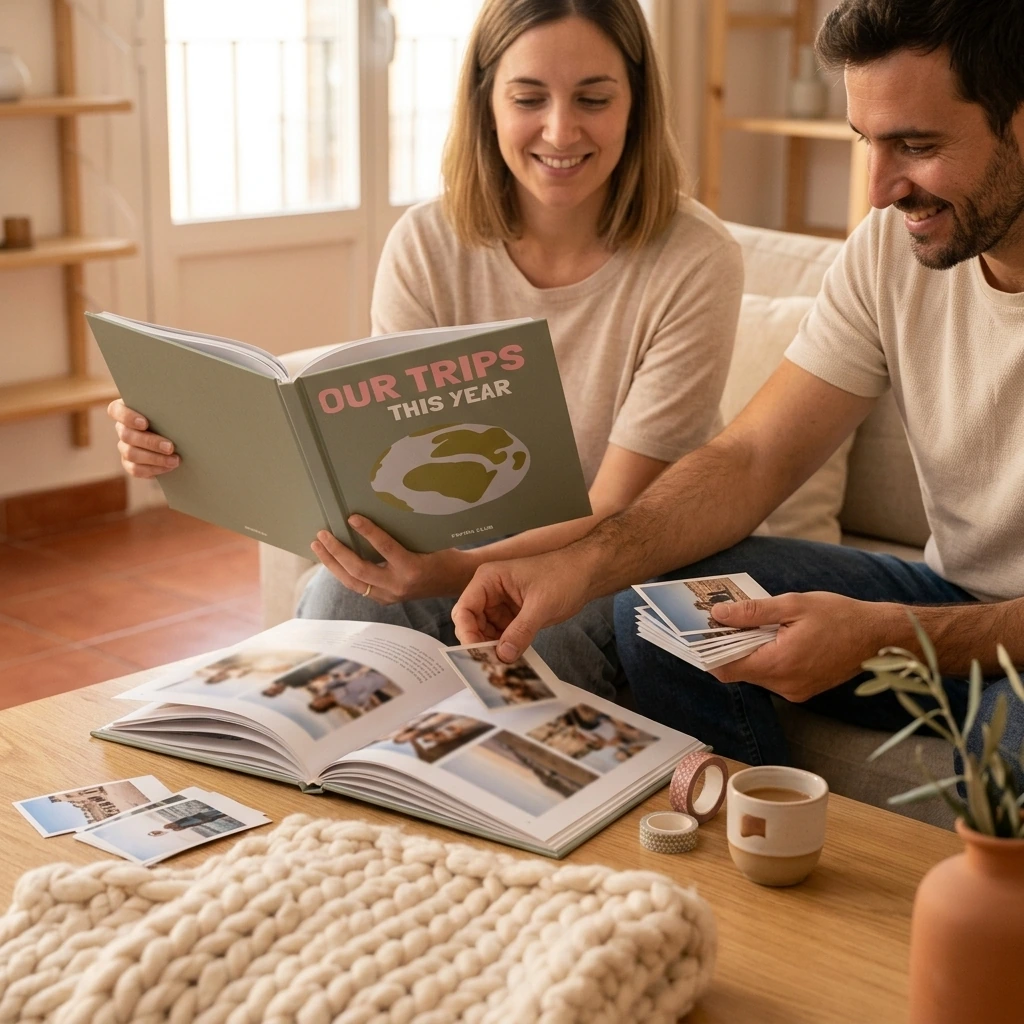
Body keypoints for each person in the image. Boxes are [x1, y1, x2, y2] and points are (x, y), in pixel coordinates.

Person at [452, 0, 1024, 781]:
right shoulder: (886, 252)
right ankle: (733, 848)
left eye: (916, 146)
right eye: (866, 141)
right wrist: (578, 566)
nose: (880, 190)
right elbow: (753, 456)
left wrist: (885, 634)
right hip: (951, 592)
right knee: (665, 609)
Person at [105, 0, 743, 699]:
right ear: (486, 103)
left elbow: (618, 505)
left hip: (610, 563)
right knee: (334, 605)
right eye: (528, 97)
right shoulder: (427, 243)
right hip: (463, 546)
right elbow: (384, 460)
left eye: (593, 98)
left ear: (636, 105)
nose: (561, 130)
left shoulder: (694, 258)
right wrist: (187, 442)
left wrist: (447, 569)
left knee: (543, 645)